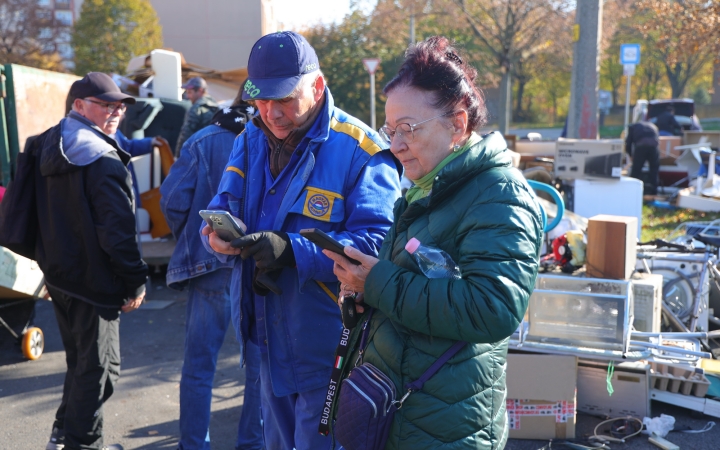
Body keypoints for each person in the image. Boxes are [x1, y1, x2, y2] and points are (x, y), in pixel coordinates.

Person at [325, 36, 543, 449]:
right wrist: (361, 290)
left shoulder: (499, 195)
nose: (395, 144)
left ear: (457, 124)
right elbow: (405, 287)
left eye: (408, 129)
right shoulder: (425, 187)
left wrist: (379, 284)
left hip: (449, 426)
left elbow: (492, 309)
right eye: (391, 130)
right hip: (401, 410)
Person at [201, 31, 401, 449]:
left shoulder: (362, 150)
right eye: (261, 100)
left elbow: (378, 242)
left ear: (318, 86)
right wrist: (217, 235)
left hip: (331, 350)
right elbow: (224, 202)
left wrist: (292, 251)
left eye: (285, 99)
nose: (272, 113)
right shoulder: (249, 137)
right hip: (266, 343)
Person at [30, 72, 148, 450]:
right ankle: (84, 443)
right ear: (78, 106)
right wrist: (135, 282)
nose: (115, 112)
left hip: (61, 277)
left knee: (82, 366)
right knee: (100, 372)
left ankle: (62, 435)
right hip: (94, 284)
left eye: (119, 106)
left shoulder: (48, 143)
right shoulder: (101, 157)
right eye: (105, 105)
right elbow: (118, 232)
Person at [160, 91, 263, 450]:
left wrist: (193, 236)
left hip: (211, 267)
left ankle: (194, 445)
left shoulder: (204, 139)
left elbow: (172, 200)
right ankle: (252, 444)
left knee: (199, 367)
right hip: (262, 267)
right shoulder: (280, 137)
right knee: (259, 370)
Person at [176, 77, 219, 155]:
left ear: (200, 91)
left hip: (196, 154)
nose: (188, 96)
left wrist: (178, 156)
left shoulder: (196, 109)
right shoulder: (215, 106)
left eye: (190, 92)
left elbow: (186, 134)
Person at [626, 120, 660, 195]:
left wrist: (631, 155)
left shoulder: (632, 127)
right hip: (654, 147)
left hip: (641, 146)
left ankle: (631, 191)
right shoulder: (653, 126)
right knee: (654, 170)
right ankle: (654, 193)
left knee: (636, 170)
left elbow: (628, 143)